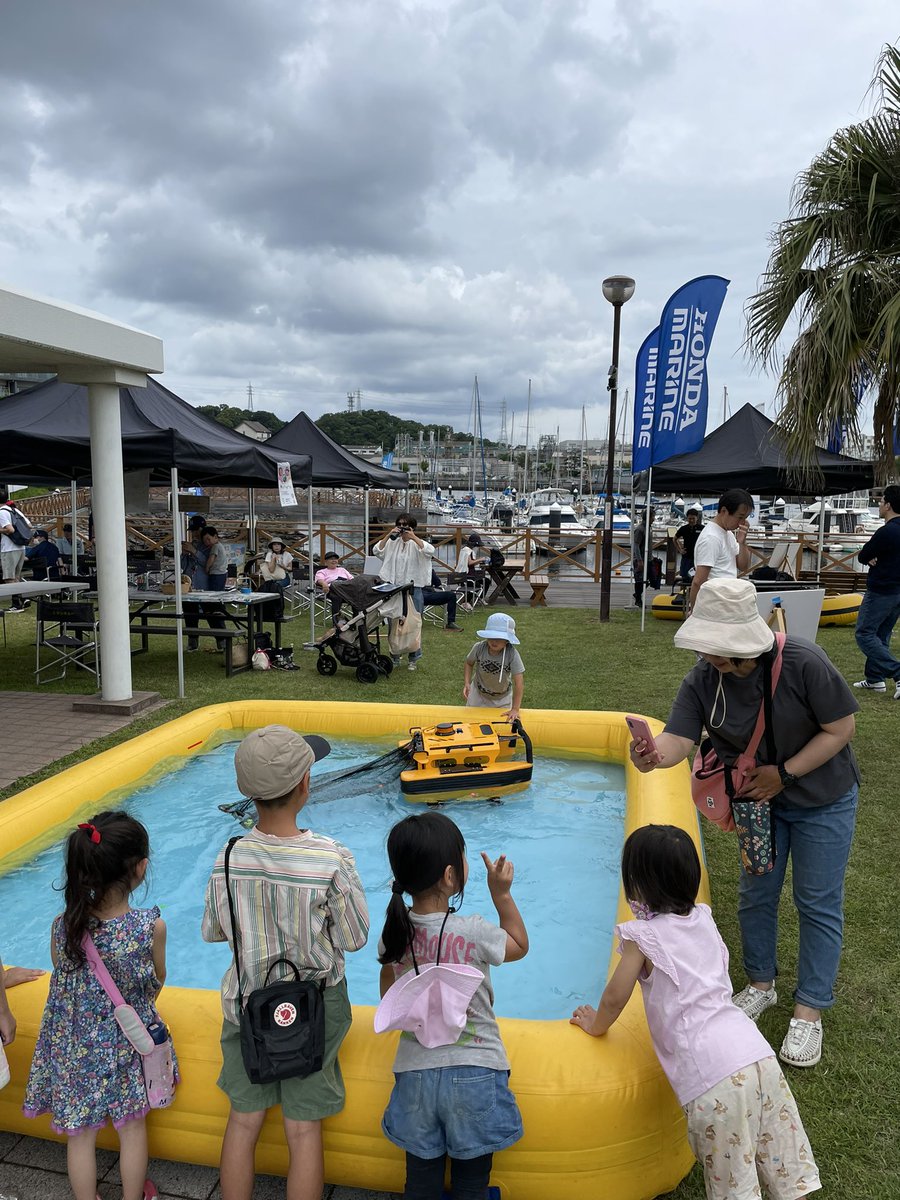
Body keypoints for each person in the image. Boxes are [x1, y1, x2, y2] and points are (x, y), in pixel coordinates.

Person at [629, 578, 859, 1068]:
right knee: (757, 892)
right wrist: (652, 756)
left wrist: (785, 774)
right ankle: (761, 984)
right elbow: (677, 740)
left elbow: (841, 729)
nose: (710, 657)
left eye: (718, 649)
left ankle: (809, 1009)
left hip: (823, 796)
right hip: (759, 803)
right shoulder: (702, 679)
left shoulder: (803, 661)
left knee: (816, 900)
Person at [570, 825, 820, 1200]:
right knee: (781, 1160)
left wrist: (595, 1025)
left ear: (636, 885)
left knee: (733, 1181)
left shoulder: (643, 937)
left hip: (713, 1078)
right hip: (756, 1054)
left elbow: (614, 998)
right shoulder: (703, 917)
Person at [202, 726, 369, 1200]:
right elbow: (354, 938)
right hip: (314, 1008)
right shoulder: (331, 858)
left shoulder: (229, 857)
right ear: (305, 786)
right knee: (303, 1130)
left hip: (247, 1005)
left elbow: (215, 930)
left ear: (248, 795)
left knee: (243, 1122)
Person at [377, 811, 527, 1200]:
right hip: (478, 1070)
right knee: (471, 1184)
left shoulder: (393, 933)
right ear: (449, 876)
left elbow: (388, 998)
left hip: (415, 1077)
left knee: (421, 1183)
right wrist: (502, 894)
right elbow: (519, 945)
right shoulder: (472, 930)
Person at [23, 812, 173, 1200]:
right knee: (132, 1128)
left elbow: (64, 980)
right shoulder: (148, 928)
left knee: (81, 1136)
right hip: (126, 1045)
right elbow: (156, 981)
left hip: (73, 1049)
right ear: (140, 869)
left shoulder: (64, 927)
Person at [853, 483, 900, 699]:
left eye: (881, 502)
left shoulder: (886, 531)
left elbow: (863, 556)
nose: (879, 505)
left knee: (864, 633)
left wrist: (872, 556)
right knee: (881, 634)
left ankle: (897, 672)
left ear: (888, 505)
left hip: (882, 589)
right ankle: (875, 678)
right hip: (897, 591)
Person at [373, 514, 435, 669]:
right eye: (400, 524)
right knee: (393, 623)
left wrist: (413, 537)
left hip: (413, 589)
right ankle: (395, 655)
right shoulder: (393, 543)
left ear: (412, 526)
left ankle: (413, 658)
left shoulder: (418, 544)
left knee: (413, 624)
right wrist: (389, 534)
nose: (402, 527)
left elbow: (429, 551)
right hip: (394, 588)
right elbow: (377, 551)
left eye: (405, 525)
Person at [688, 488, 753, 612]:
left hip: (727, 602)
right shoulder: (711, 537)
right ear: (724, 511)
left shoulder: (727, 533)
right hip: (715, 604)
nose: (742, 523)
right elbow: (698, 581)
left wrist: (742, 542)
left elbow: (743, 566)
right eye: (740, 517)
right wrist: (695, 612)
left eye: (745, 518)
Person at [463, 612, 524, 724]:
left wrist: (515, 709)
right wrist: (467, 683)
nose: (494, 641)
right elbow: (469, 663)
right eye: (491, 637)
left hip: (502, 698)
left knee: (500, 727)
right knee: (470, 723)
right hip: (478, 693)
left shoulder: (512, 654)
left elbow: (519, 683)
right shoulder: (479, 648)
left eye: (499, 638)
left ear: (507, 640)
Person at [0, 497, 33, 610]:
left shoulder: (2, 512)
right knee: (16, 577)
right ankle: (23, 598)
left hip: (9, 548)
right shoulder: (14, 509)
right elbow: (29, 525)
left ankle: (17, 603)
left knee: (9, 578)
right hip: (21, 547)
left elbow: (10, 530)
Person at [201, 526, 230, 652]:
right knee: (217, 592)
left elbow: (211, 558)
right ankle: (217, 608)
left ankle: (218, 608)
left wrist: (207, 567)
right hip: (222, 573)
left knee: (214, 594)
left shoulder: (215, 547)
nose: (207, 542)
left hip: (217, 573)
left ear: (215, 537)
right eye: (205, 541)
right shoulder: (220, 546)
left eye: (208, 539)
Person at [314, 551, 354, 625]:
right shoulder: (322, 571)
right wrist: (324, 584)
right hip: (332, 590)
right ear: (326, 562)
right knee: (337, 598)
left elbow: (352, 580)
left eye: (335, 559)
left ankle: (356, 620)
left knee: (358, 596)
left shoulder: (343, 570)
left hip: (345, 590)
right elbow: (320, 580)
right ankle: (336, 622)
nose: (334, 560)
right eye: (331, 559)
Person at [421, 567, 464, 632]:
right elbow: (438, 583)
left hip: (417, 595)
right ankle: (450, 622)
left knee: (451, 595)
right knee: (451, 595)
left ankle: (450, 623)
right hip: (425, 595)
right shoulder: (428, 568)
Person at [631, 508, 654, 607]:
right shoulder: (640, 529)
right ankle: (638, 599)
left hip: (648, 558)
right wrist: (639, 560)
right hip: (640, 558)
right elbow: (636, 545)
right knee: (640, 580)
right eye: (653, 516)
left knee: (651, 578)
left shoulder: (649, 527)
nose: (654, 518)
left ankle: (637, 594)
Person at [674, 508, 703, 584]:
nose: (691, 520)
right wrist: (680, 550)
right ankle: (683, 593)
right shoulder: (684, 528)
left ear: (697, 518)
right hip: (686, 558)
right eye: (690, 518)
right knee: (684, 577)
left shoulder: (702, 528)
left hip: (698, 558)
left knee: (697, 579)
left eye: (693, 518)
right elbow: (674, 539)